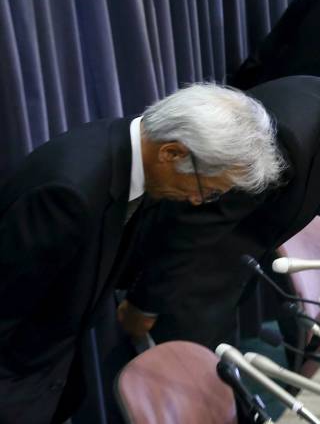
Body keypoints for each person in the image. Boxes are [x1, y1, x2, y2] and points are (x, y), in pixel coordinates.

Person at [0, 85, 284, 423]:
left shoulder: (136, 158)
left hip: (52, 367)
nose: (197, 201)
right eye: (206, 190)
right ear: (172, 153)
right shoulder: (68, 195)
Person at [121, 78, 320, 349]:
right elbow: (192, 221)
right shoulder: (286, 135)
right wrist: (146, 301)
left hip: (225, 272)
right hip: (188, 281)